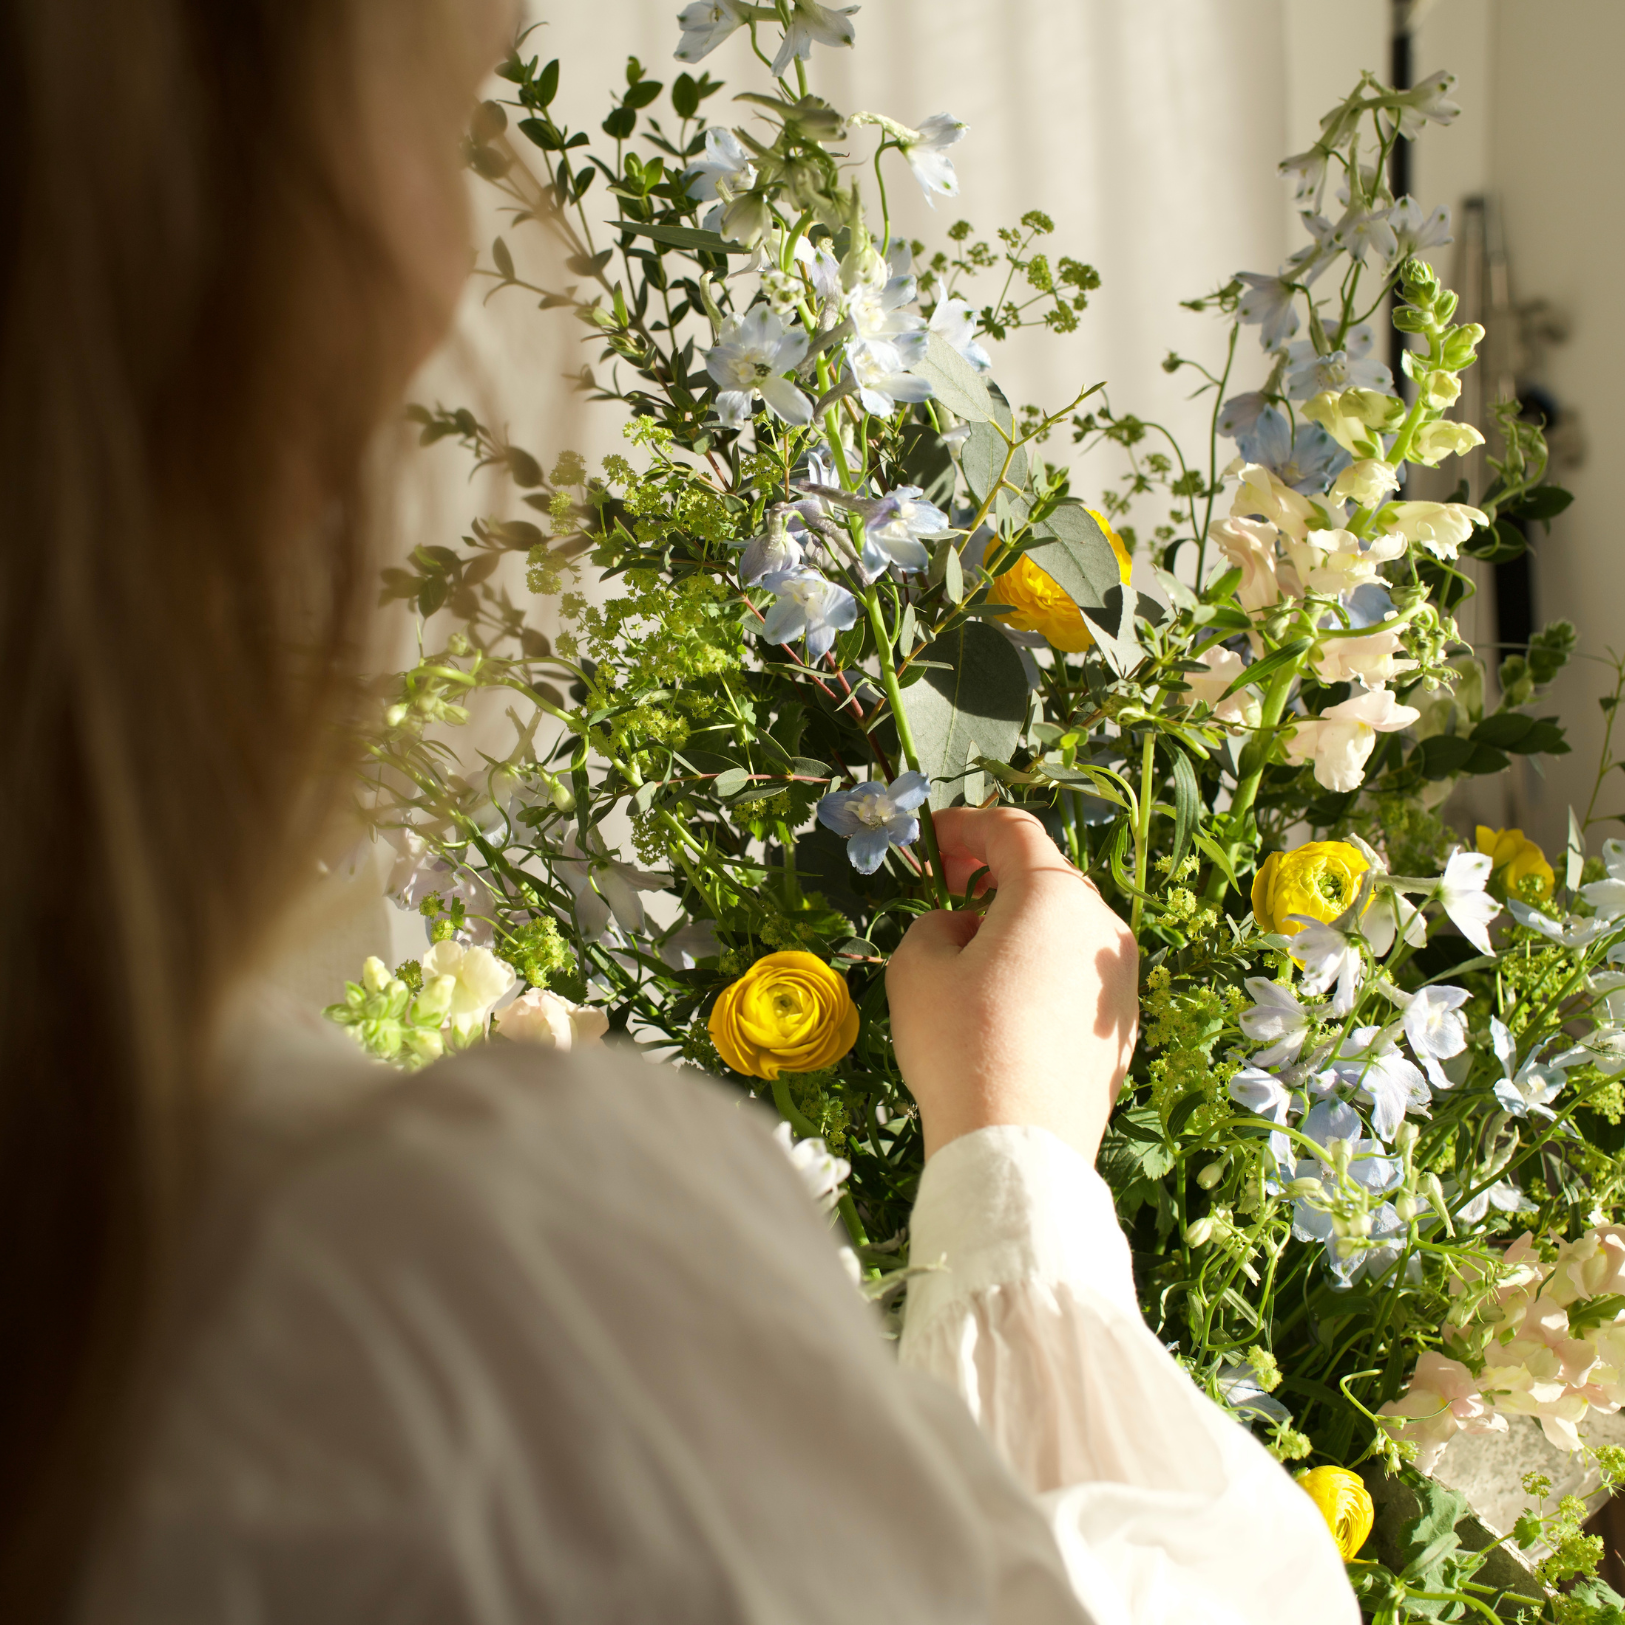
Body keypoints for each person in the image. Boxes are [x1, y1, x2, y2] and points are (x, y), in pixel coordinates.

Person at [0, 1, 1359, 1620]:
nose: (457, 263)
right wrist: (1017, 1165)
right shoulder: (431, 1303)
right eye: (456, 110)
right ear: (228, 227)